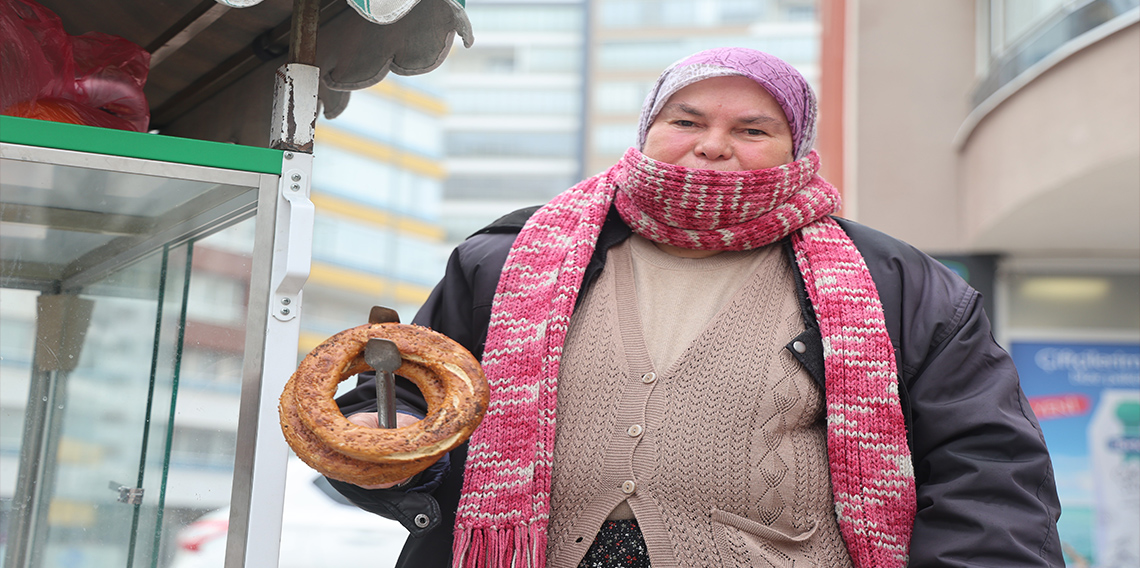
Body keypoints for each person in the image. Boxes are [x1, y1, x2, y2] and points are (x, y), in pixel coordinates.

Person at [328, 47, 1063, 568]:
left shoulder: (902, 287)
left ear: (795, 149)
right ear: (648, 128)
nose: (713, 147)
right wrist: (376, 440)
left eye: (752, 130)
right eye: (686, 120)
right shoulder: (506, 261)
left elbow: (988, 473)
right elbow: (403, 403)